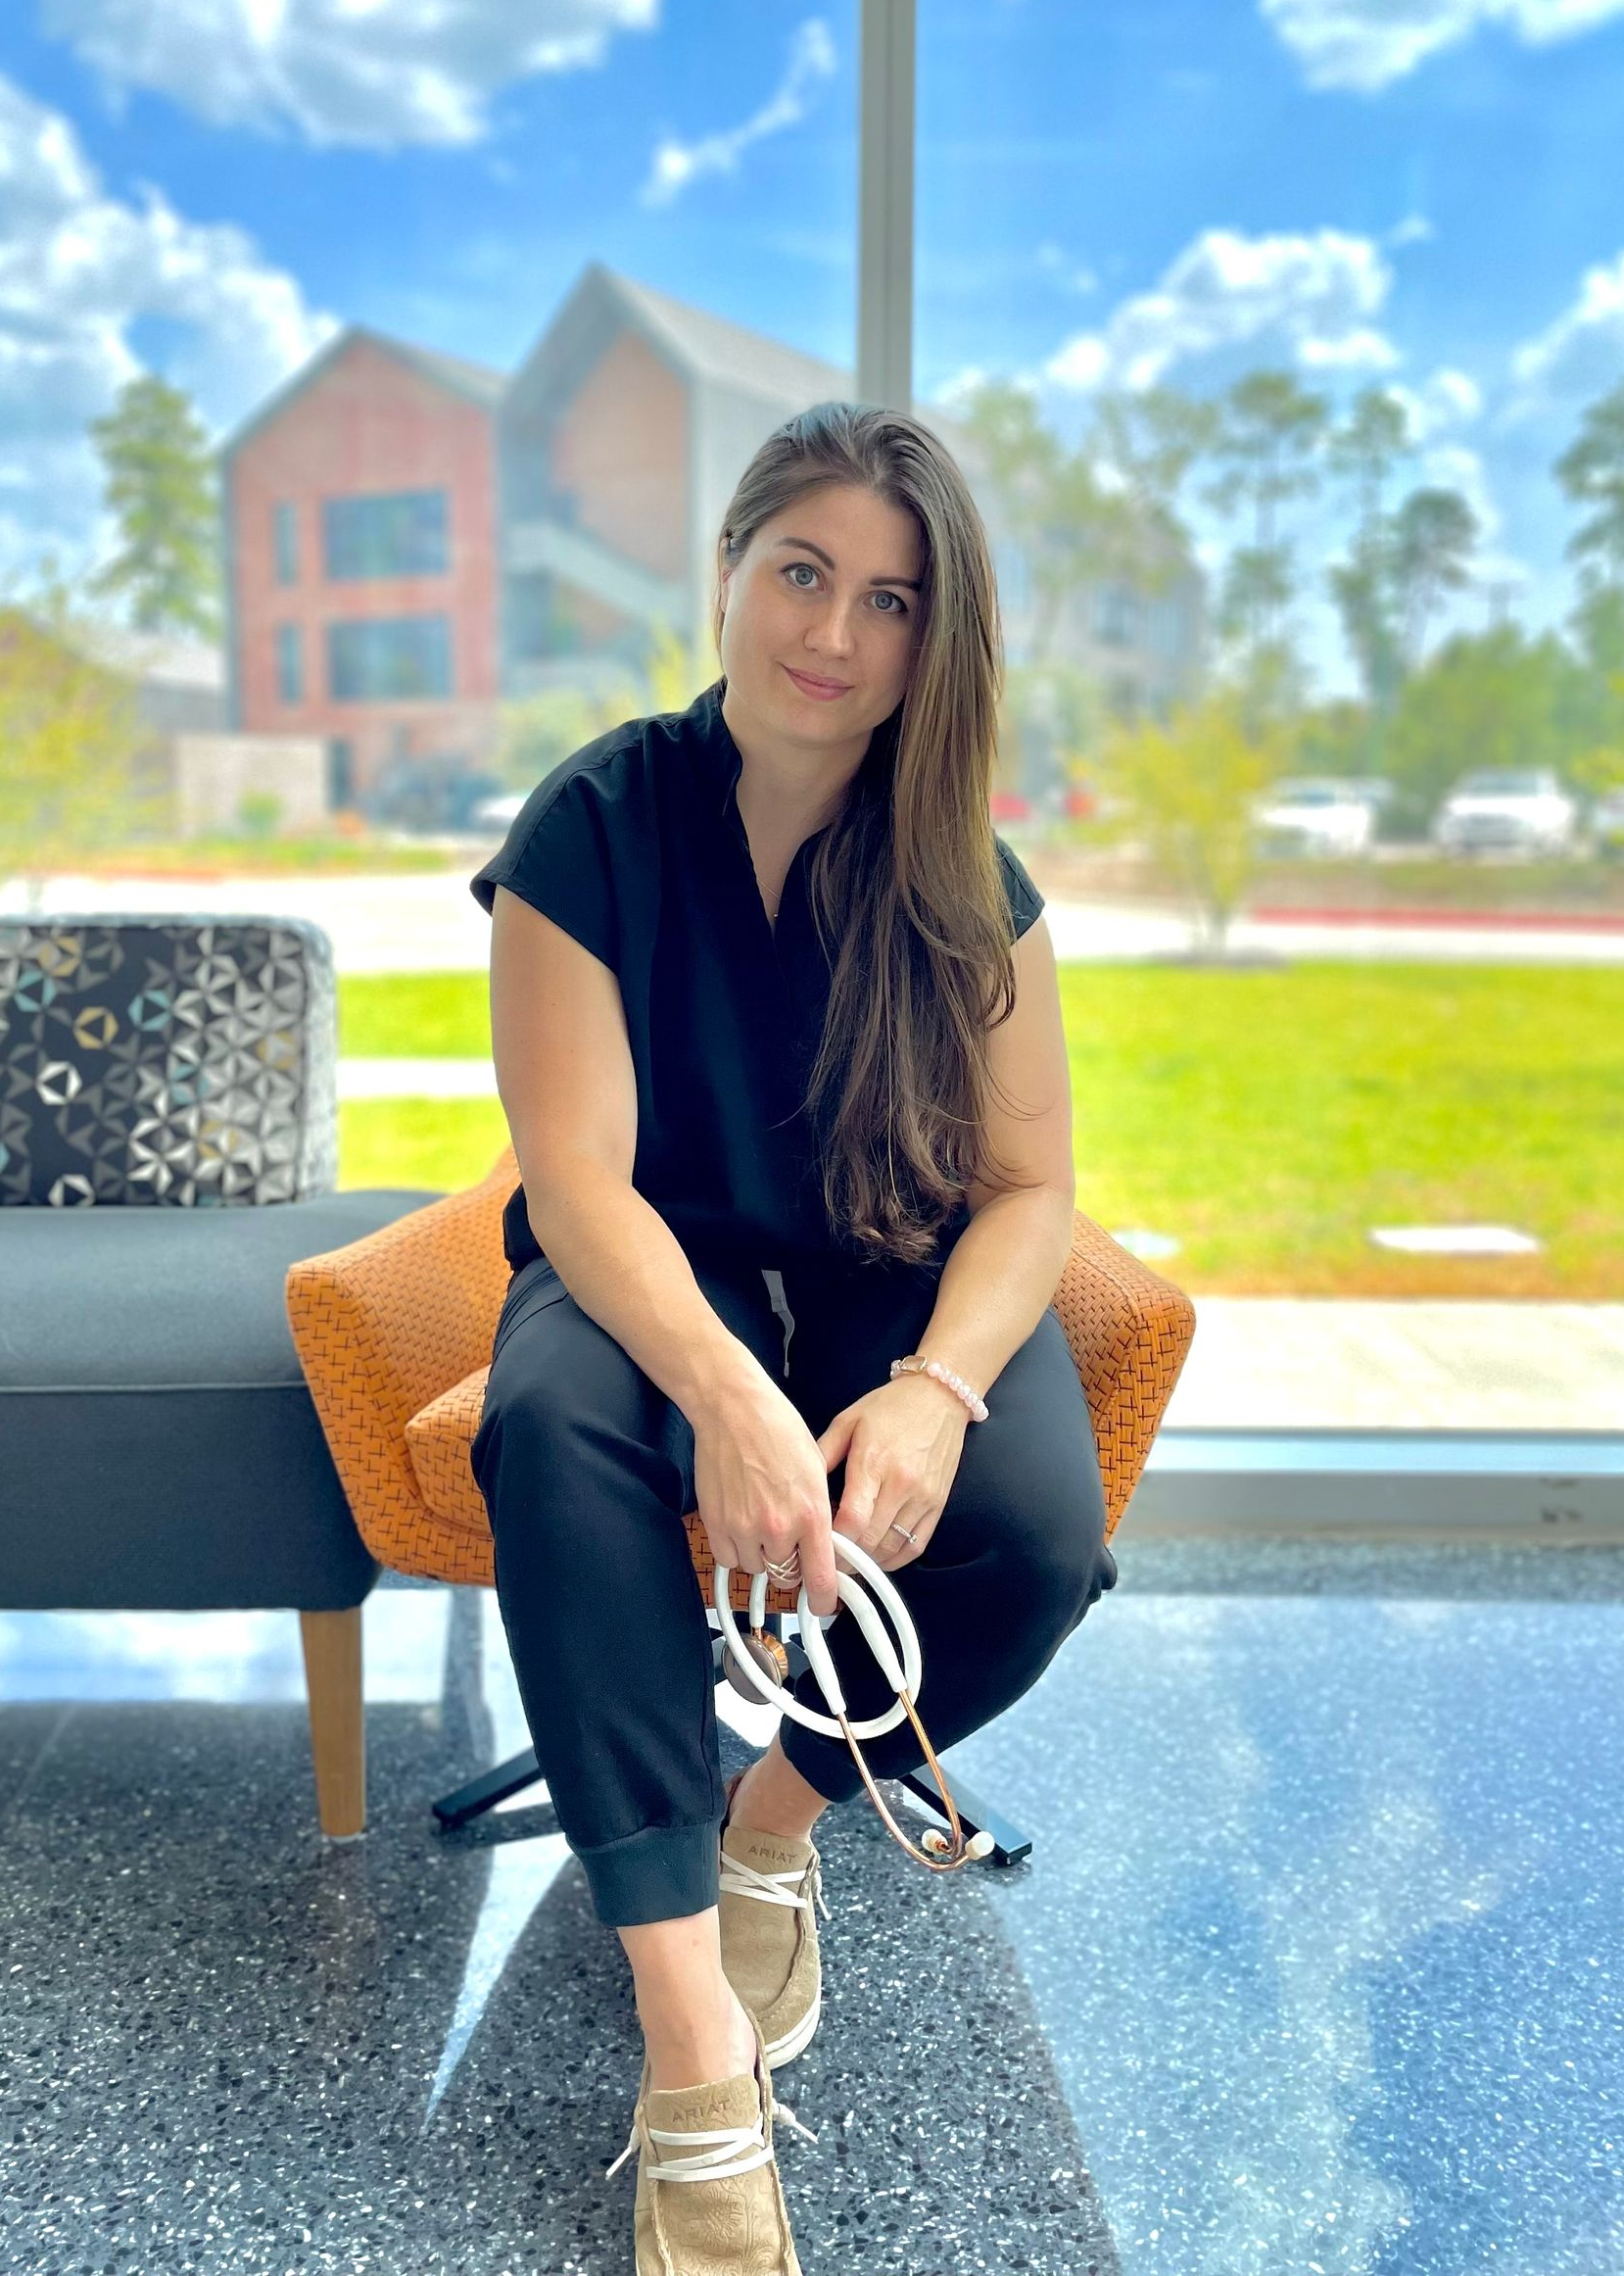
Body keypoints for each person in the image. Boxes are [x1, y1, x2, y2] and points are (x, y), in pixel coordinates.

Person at [467, 400, 1117, 2275]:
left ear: (935, 639)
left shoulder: (963, 873)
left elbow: (1031, 1188)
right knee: (552, 1435)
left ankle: (768, 1820)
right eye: (802, 572)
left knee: (1038, 1541)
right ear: (730, 572)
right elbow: (577, 1180)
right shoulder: (593, 823)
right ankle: (695, 2060)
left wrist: (936, 1388)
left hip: (877, 1269)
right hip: (641, 1265)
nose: (833, 632)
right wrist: (734, 1400)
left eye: (889, 600)